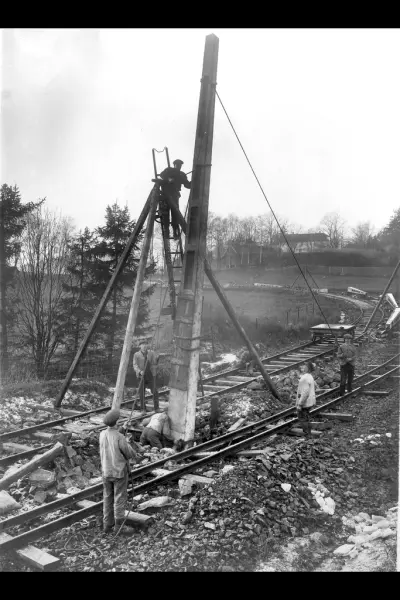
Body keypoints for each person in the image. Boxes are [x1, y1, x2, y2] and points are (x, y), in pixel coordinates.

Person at [99, 409, 136, 534]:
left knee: (107, 497)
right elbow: (130, 453)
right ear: (117, 422)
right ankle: (119, 527)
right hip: (118, 472)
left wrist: (123, 429)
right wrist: (128, 442)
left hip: (106, 471)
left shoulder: (102, 434)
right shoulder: (120, 437)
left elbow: (112, 437)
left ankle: (107, 525)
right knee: (120, 497)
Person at [159, 159, 191, 240]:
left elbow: (187, 185)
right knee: (165, 214)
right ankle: (166, 232)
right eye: (177, 165)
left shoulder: (181, 174)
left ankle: (175, 232)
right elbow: (162, 175)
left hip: (174, 196)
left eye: (180, 165)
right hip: (165, 195)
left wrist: (193, 182)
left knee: (175, 214)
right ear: (174, 165)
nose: (179, 166)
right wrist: (168, 179)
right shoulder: (168, 170)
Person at [133, 339, 159, 411]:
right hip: (141, 376)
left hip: (150, 374)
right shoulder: (136, 354)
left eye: (145, 344)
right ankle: (143, 409)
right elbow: (135, 365)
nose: (144, 346)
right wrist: (139, 371)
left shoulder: (151, 353)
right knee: (142, 393)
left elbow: (154, 363)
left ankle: (157, 408)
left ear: (147, 345)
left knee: (155, 391)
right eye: (142, 345)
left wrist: (157, 358)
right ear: (140, 346)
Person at [296, 361, 316, 438]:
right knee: (307, 418)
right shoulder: (310, 376)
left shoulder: (304, 378)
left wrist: (300, 404)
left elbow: (305, 393)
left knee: (303, 418)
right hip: (310, 402)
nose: (303, 367)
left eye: (304, 366)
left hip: (305, 403)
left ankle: (307, 435)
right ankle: (309, 434)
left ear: (307, 368)